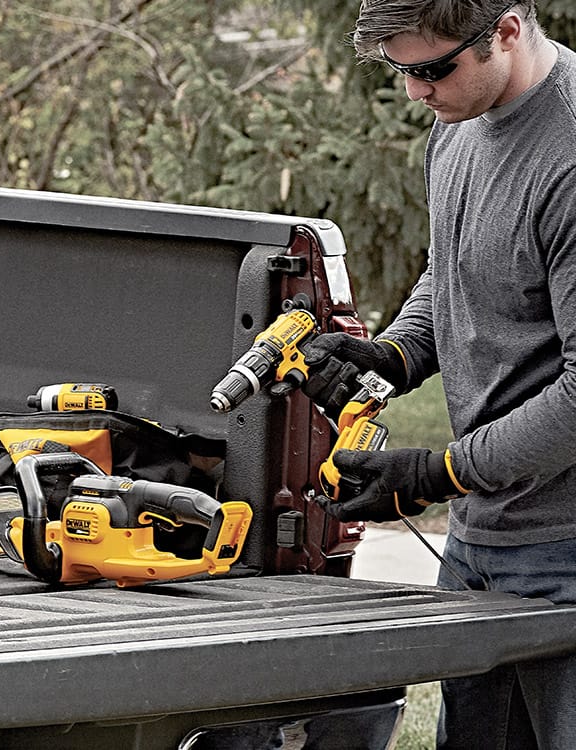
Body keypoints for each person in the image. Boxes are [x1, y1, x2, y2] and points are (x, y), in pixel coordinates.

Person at [300, 1, 576, 747]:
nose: (418, 92)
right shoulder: (456, 123)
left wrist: (436, 472)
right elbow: (451, 267)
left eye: (432, 69)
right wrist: (394, 354)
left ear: (508, 30)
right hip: (483, 536)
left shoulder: (570, 156)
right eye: (401, 72)